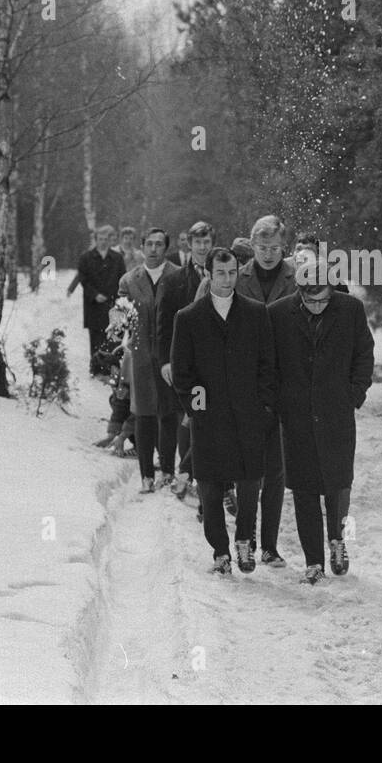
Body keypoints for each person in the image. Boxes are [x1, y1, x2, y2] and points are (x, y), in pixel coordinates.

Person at [171, 247, 277, 574]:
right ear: (208, 273)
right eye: (220, 273)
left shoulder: (256, 313)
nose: (227, 279)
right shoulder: (188, 318)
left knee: (249, 483)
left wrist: (262, 404)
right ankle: (220, 551)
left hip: (248, 417)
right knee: (211, 487)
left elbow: (267, 364)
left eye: (232, 273)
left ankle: (245, 540)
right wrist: (197, 405)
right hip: (209, 419)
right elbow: (182, 371)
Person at [269, 263, 374, 584]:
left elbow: (364, 355)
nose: (316, 306)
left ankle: (338, 542)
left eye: (323, 300)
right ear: (299, 292)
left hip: (336, 413)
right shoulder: (277, 314)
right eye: (309, 301)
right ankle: (313, 562)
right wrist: (278, 403)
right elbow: (269, 364)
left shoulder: (351, 310)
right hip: (296, 416)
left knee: (338, 484)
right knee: (303, 489)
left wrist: (353, 394)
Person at [234, 215, 298, 566]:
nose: (269, 254)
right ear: (252, 246)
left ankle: (270, 546)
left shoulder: (296, 275)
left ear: (283, 248)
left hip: (285, 381)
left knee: (276, 470)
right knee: (248, 468)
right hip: (247, 380)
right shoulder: (238, 276)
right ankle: (244, 539)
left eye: (275, 248)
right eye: (262, 248)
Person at [117, 227, 181, 492]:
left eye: (159, 244)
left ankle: (167, 470)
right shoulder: (130, 280)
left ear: (166, 248)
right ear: (142, 247)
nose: (154, 249)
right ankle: (146, 475)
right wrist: (118, 317)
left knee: (168, 413)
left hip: (169, 354)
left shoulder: (178, 276)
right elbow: (120, 310)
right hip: (141, 353)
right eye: (149, 244)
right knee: (143, 413)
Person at [158, 221, 214, 498]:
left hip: (213, 362)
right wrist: (165, 362)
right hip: (184, 360)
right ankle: (185, 474)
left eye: (207, 242)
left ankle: (192, 473)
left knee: (205, 418)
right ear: (188, 245)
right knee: (186, 416)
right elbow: (163, 325)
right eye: (198, 242)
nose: (202, 247)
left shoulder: (224, 275)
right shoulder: (174, 280)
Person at [67, 225, 125, 376]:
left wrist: (115, 296)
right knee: (95, 336)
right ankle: (95, 367)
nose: (103, 242)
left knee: (113, 336)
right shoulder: (86, 258)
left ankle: (110, 368)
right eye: (100, 239)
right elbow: (83, 279)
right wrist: (94, 295)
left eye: (106, 239)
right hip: (93, 303)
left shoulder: (117, 258)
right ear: (95, 240)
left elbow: (122, 279)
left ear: (110, 240)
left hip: (112, 303)